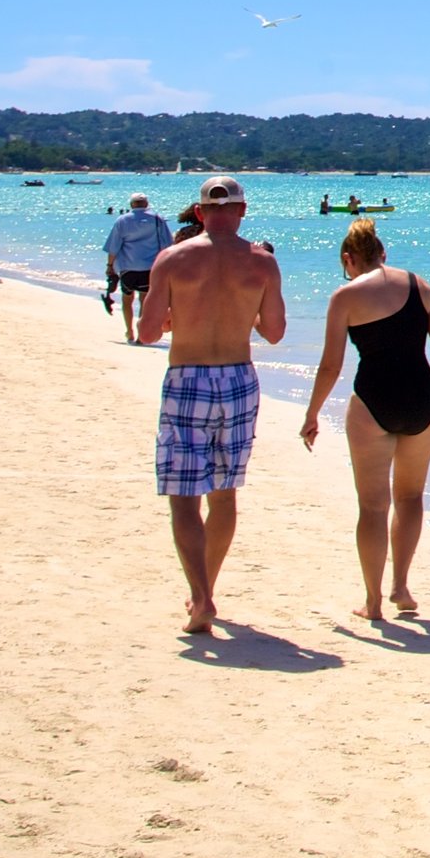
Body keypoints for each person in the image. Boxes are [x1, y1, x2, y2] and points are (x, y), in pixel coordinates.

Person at [299, 218, 430, 621]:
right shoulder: (421, 286)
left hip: (373, 401)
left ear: (349, 259)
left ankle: (373, 601)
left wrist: (312, 413)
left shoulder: (345, 297)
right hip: (422, 399)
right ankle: (401, 585)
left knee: (372, 506)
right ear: (384, 253)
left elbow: (331, 365)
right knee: (411, 496)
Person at [138, 176, 287, 635]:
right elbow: (275, 332)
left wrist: (173, 318)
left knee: (184, 498)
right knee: (224, 494)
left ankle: (201, 596)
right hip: (238, 379)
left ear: (200, 213)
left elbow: (146, 333)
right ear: (242, 211)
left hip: (188, 376)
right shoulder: (262, 263)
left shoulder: (172, 258)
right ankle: (206, 590)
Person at [103, 193, 172, 342]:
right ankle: (141, 334)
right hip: (150, 268)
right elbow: (167, 244)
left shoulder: (122, 220)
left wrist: (110, 266)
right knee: (145, 300)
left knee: (127, 298)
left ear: (132, 205)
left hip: (128, 267)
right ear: (146, 204)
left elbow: (114, 246)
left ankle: (129, 331)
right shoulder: (157, 219)